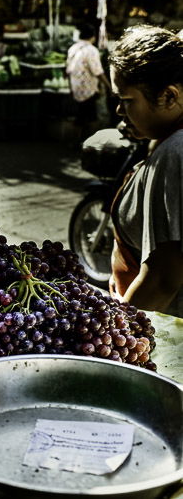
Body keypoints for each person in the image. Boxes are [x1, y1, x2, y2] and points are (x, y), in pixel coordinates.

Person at [108, 25, 183, 317]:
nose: (119, 111)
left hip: (164, 335)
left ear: (168, 97)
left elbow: (163, 280)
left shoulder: (175, 154)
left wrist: (117, 333)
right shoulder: (166, 143)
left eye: (127, 101)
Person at [66, 23, 111, 141]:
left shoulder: (73, 48)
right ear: (93, 36)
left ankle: (77, 141)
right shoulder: (91, 50)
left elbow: (68, 70)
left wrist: (70, 87)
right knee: (91, 118)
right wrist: (109, 86)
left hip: (76, 87)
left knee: (80, 116)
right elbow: (98, 72)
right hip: (87, 89)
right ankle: (90, 142)